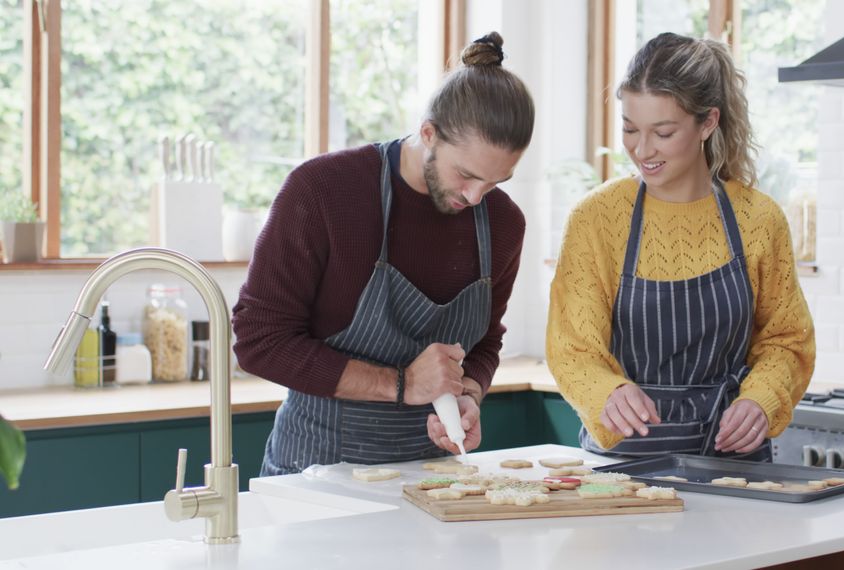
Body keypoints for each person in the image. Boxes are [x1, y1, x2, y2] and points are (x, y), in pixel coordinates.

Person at [233, 32, 534, 475]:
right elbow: (259, 340)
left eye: (494, 183)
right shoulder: (324, 191)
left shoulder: (504, 224)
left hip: (429, 481)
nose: (475, 197)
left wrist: (467, 395)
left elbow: (485, 341)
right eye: (465, 175)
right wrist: (403, 384)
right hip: (316, 477)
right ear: (428, 134)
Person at [546, 32, 814, 460]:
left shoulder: (759, 219)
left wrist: (760, 398)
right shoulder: (596, 219)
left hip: (736, 469)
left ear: (708, 123)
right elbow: (572, 347)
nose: (642, 149)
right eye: (630, 129)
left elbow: (786, 340)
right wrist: (606, 391)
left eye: (664, 132)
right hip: (623, 472)